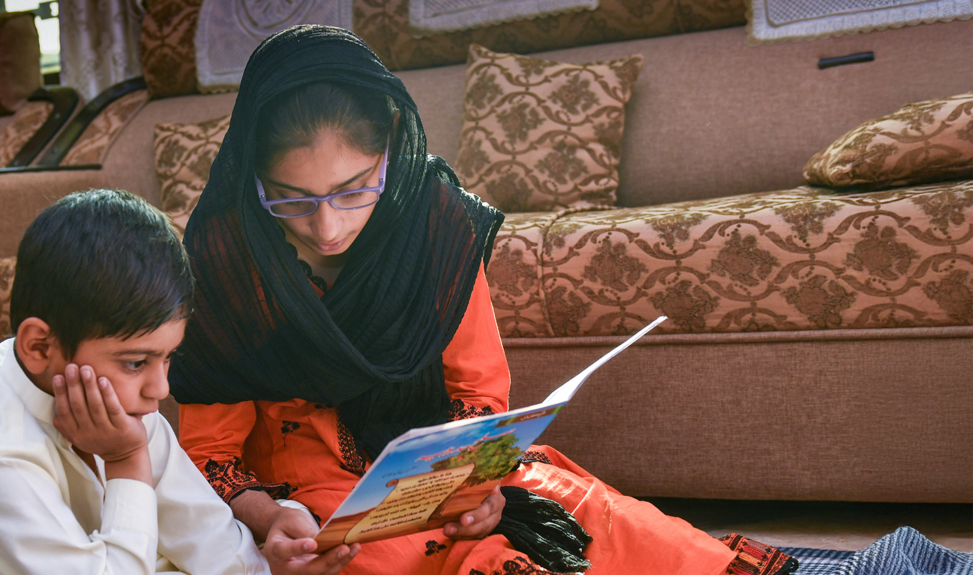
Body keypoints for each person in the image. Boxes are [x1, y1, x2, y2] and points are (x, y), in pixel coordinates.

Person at [169, 26, 745, 575]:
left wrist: (481, 484)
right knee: (394, 556)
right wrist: (272, 519)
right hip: (312, 494)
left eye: (353, 190)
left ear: (391, 147)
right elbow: (209, 451)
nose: (327, 228)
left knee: (624, 533)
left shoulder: (436, 225)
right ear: (254, 176)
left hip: (440, 473)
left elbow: (477, 392)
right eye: (291, 199)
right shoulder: (226, 261)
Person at [0, 190, 269, 574]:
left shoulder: (124, 397)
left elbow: (212, 539)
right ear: (38, 347)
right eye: (135, 362)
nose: (161, 389)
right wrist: (127, 462)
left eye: (168, 357)